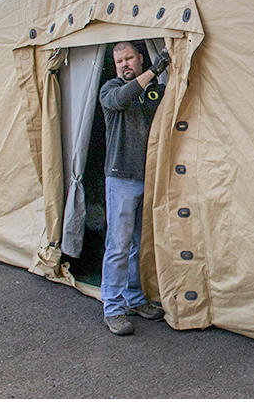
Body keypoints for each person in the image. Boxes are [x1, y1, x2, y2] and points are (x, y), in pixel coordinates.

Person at [99, 42, 171, 335]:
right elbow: (124, 98)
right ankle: (113, 309)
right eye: (119, 61)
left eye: (129, 58)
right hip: (121, 178)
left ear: (140, 58)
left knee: (137, 244)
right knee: (117, 245)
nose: (124, 64)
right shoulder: (111, 89)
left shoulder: (154, 91)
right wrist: (155, 71)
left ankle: (134, 297)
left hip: (149, 176)